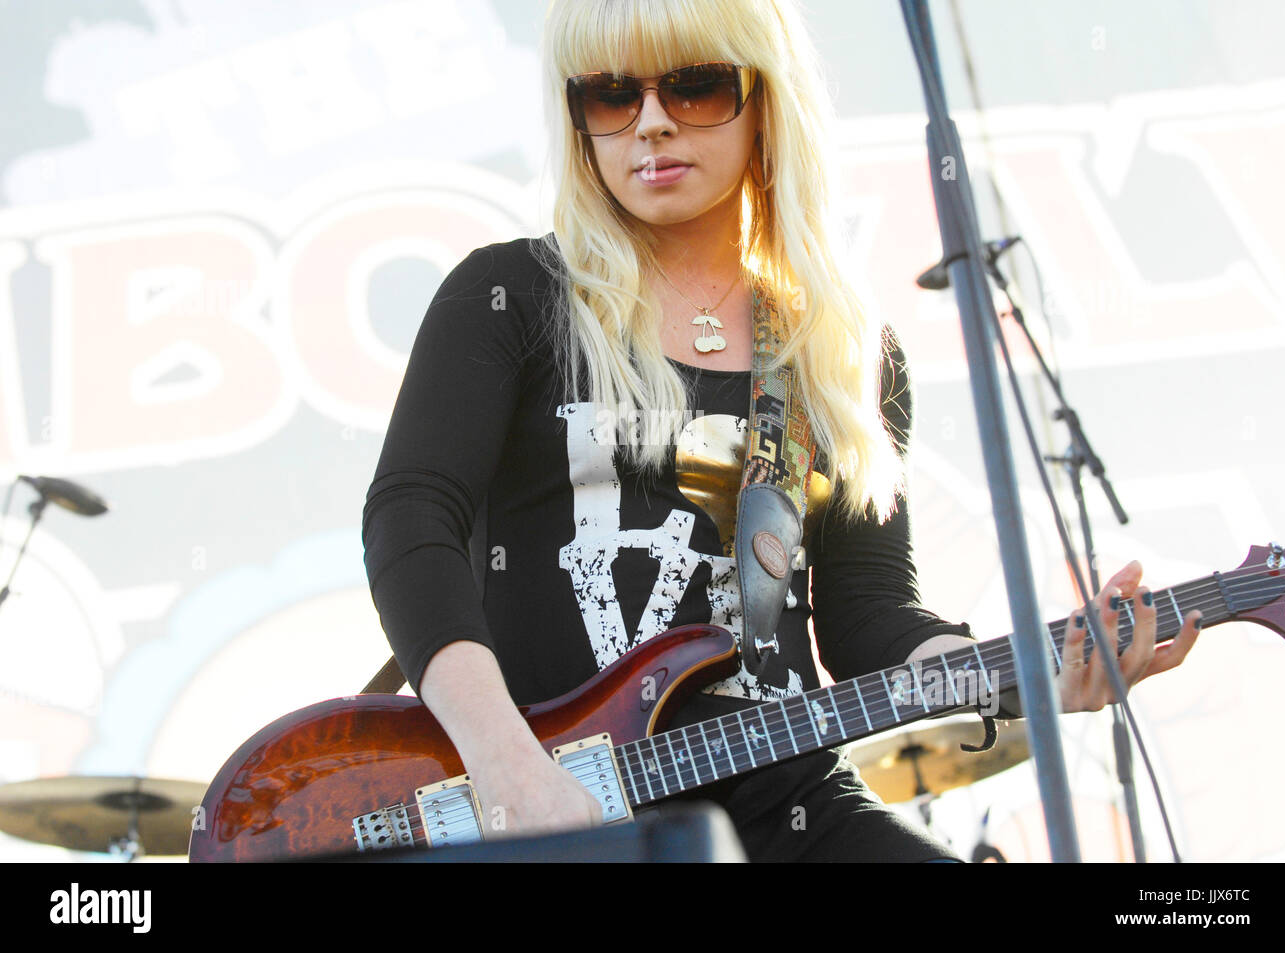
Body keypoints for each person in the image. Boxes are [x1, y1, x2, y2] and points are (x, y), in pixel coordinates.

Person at [361, 0, 1202, 861]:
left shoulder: (837, 350)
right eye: (611, 96)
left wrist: (1029, 673)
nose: (650, 123)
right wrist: (503, 760)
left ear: (767, 98)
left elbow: (869, 618)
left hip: (790, 799)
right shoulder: (510, 299)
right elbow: (410, 519)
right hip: (556, 800)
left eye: (694, 86)